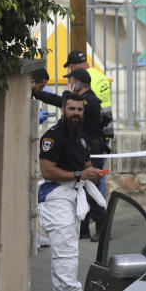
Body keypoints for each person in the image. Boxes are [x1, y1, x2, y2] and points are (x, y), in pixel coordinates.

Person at [37, 93, 106, 291]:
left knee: (66, 249)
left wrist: (93, 172)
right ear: (63, 110)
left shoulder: (79, 138)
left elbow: (84, 163)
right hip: (55, 197)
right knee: (66, 251)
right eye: (72, 109)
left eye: (79, 110)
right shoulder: (52, 137)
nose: (76, 113)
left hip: (73, 197)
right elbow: (47, 170)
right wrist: (79, 174)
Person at [33, 68, 108, 241]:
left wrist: (38, 93)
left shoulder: (89, 101)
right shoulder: (57, 132)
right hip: (81, 146)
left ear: (78, 82)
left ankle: (101, 226)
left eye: (71, 80)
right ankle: (83, 229)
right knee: (82, 186)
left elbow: (62, 101)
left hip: (90, 147)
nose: (69, 83)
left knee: (90, 187)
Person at [63, 49, 112, 122]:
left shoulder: (82, 78)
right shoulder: (101, 76)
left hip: (93, 118)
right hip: (107, 116)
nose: (71, 70)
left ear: (73, 65)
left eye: (70, 67)